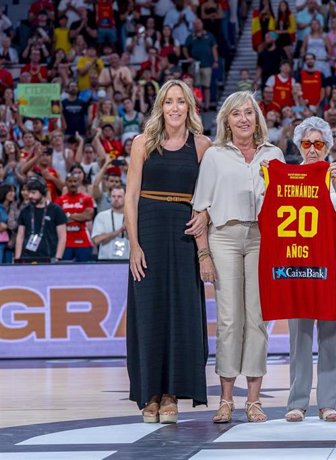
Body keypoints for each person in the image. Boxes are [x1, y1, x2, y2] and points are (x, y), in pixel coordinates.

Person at [191, 91, 283, 424]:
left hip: (263, 239)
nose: (243, 119)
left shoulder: (275, 154)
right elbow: (200, 208)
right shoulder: (214, 156)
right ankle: (226, 399)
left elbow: (286, 201)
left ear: (257, 118)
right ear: (226, 121)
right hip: (224, 237)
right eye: (236, 114)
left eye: (248, 112)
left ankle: (254, 401)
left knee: (257, 319)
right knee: (229, 320)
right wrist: (203, 253)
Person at [125, 80, 213, 424]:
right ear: (160, 107)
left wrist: (203, 215)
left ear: (190, 107)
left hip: (183, 236)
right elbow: (131, 197)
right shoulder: (142, 143)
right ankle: (150, 393)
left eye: (181, 102)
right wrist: (134, 245)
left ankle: (172, 393)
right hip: (148, 232)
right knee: (149, 314)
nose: (175, 108)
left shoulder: (203, 146)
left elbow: (208, 193)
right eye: (168, 102)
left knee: (181, 313)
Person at [282, 117, 336, 423]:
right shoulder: (288, 175)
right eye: (307, 144)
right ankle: (297, 402)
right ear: (299, 146)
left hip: (332, 261)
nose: (312, 150)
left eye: (319, 144)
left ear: (328, 147)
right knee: (299, 335)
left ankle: (328, 402)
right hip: (298, 262)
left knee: (330, 332)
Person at [14, 177, 67, 262]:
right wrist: (17, 258)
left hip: (49, 257)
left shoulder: (56, 210)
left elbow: (62, 236)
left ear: (43, 192)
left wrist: (58, 257)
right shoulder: (25, 211)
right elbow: (20, 236)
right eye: (29, 192)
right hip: (27, 257)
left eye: (33, 193)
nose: (30, 196)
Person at [55, 173, 95, 261]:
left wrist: (68, 215)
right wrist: (80, 216)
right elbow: (58, 220)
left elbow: (88, 216)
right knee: (64, 270)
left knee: (85, 271)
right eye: (70, 181)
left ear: (79, 183)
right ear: (66, 183)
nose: (72, 184)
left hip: (83, 242)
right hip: (65, 243)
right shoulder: (59, 200)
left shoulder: (86, 199)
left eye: (75, 181)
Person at [91, 184, 129, 260]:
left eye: (119, 196)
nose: (116, 199)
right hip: (105, 260)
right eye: (113, 196)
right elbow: (96, 240)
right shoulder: (101, 216)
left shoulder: (132, 217)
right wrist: (118, 231)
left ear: (126, 198)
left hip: (127, 259)